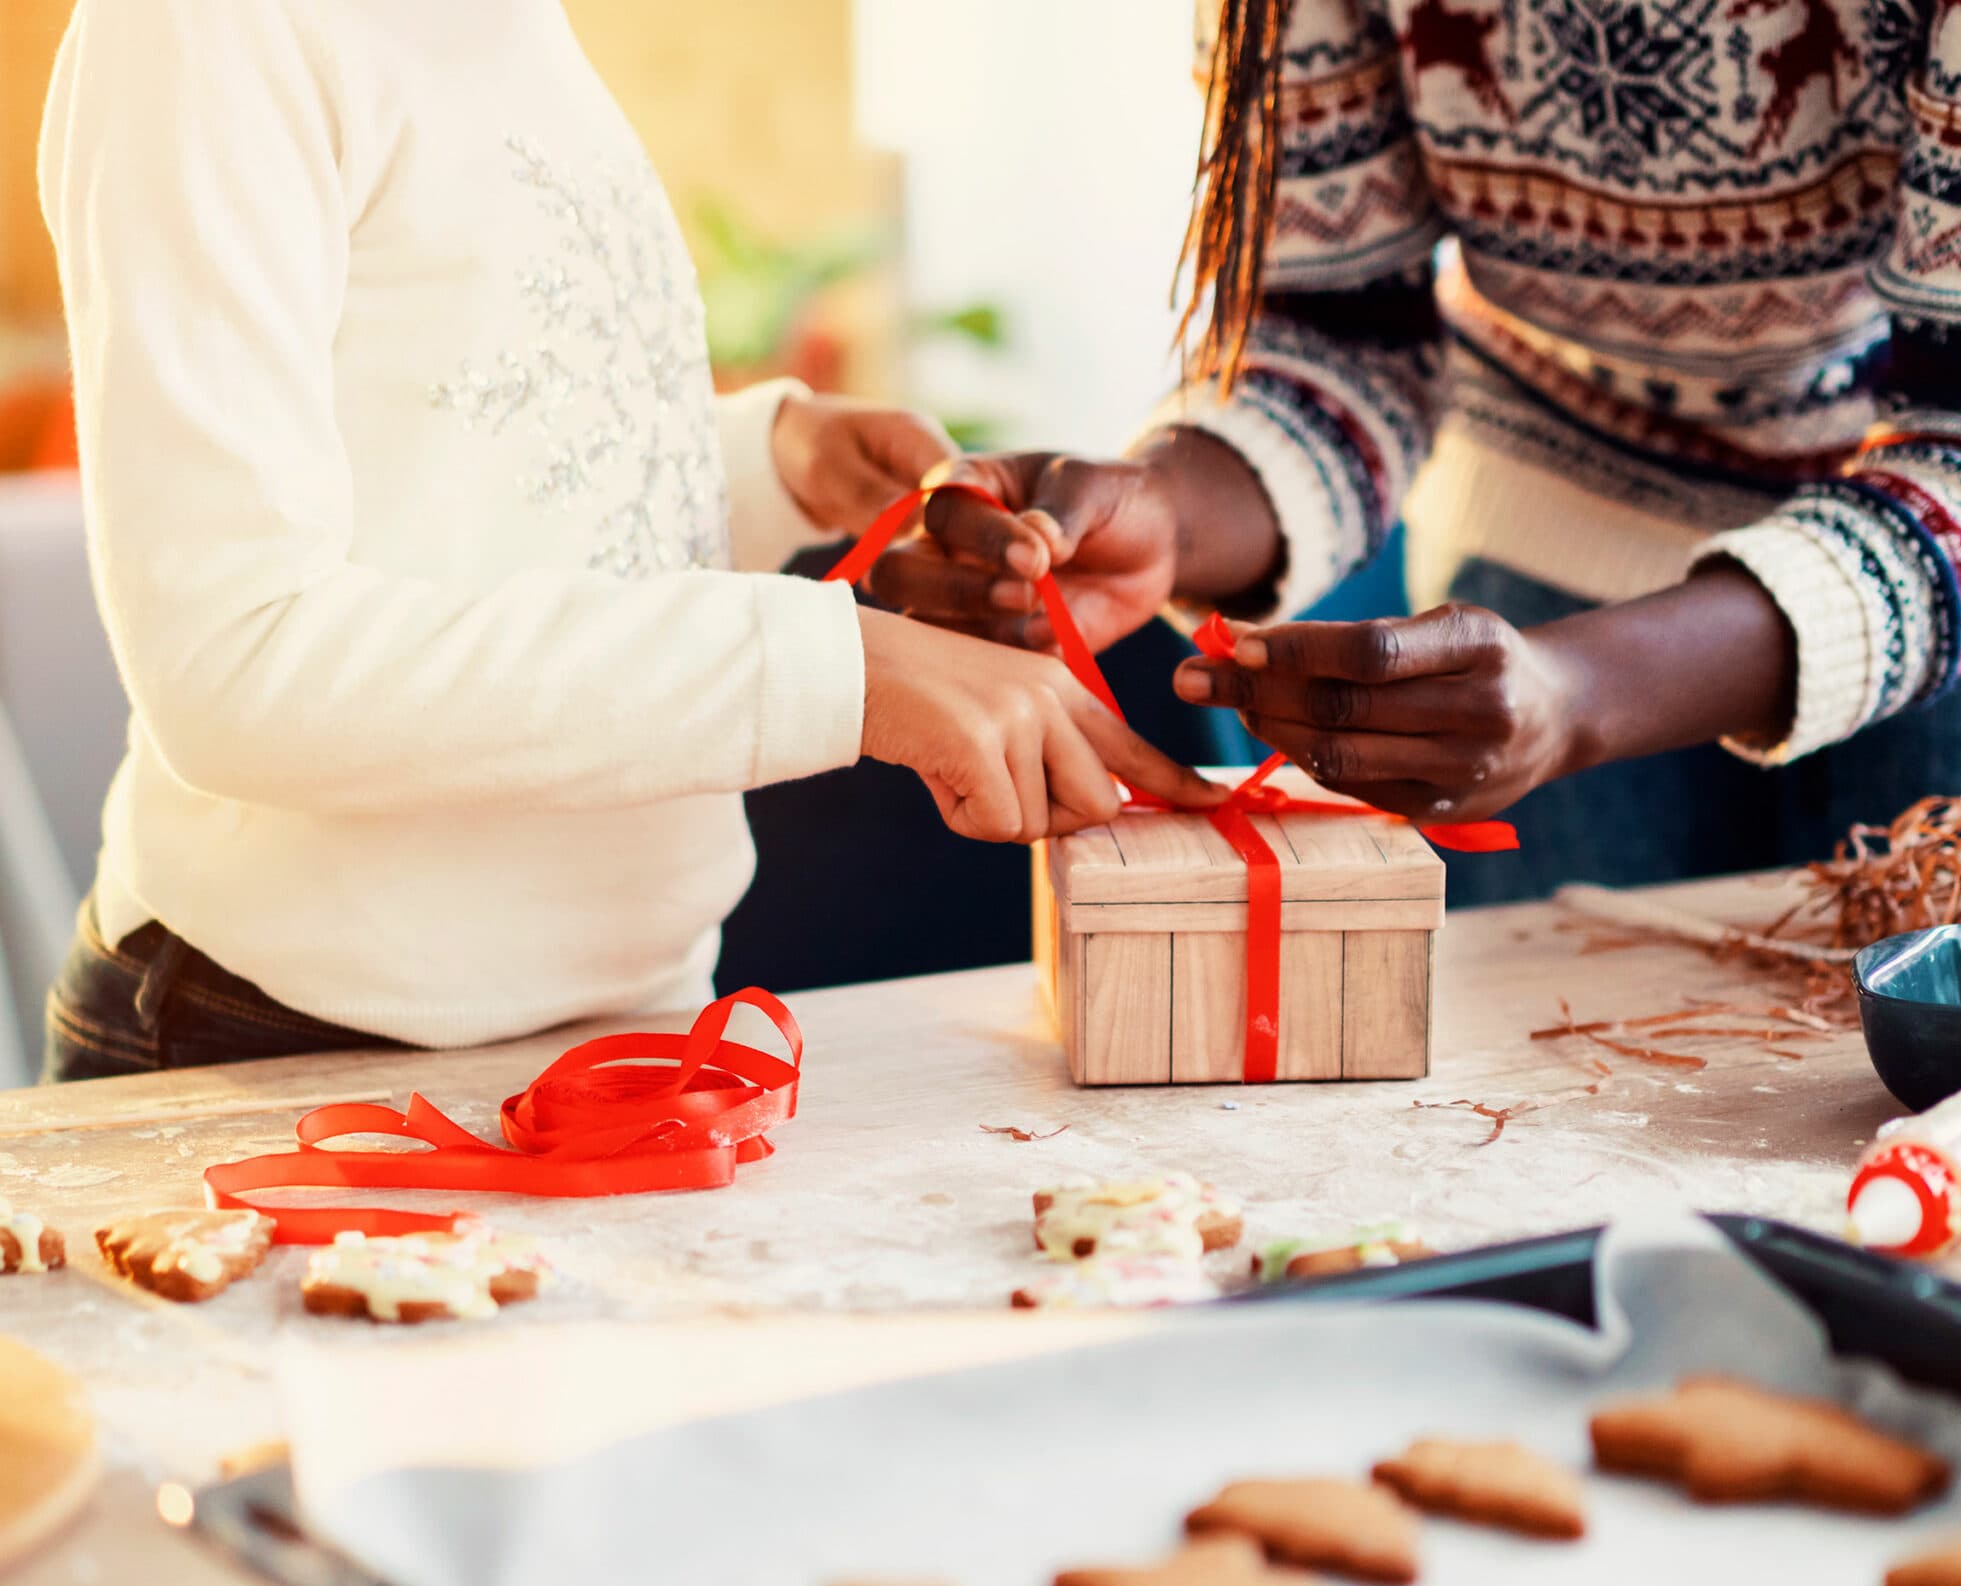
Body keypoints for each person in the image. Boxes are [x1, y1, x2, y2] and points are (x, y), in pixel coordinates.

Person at [34, 0, 1215, 1083]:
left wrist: (763, 461)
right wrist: (844, 669)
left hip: (614, 1030)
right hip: (286, 1050)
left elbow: (453, 462)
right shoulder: (200, 30)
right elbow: (239, 663)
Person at [872, 0, 1961, 906]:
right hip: (1590, 479)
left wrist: (1580, 695)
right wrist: (1170, 506)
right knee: (1569, 1099)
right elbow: (1334, 335)